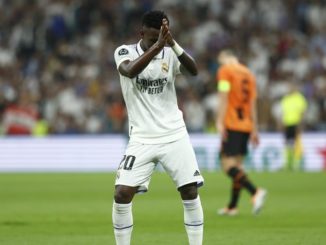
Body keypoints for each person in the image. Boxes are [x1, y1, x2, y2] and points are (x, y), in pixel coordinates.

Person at [112, 10, 204, 245]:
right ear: (141, 33)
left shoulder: (170, 51)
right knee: (122, 193)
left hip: (174, 134)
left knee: (190, 191)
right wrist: (158, 46)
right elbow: (129, 71)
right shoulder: (124, 51)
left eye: (161, 37)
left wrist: (172, 44)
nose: (158, 43)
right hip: (142, 137)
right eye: (153, 39)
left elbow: (194, 71)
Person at [215, 50, 267, 216]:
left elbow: (223, 97)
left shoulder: (225, 71)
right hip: (246, 126)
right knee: (237, 166)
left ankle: (255, 191)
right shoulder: (249, 74)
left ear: (225, 58)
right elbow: (252, 104)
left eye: (220, 60)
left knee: (227, 166)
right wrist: (255, 129)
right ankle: (232, 206)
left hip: (232, 124)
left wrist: (219, 121)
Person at [280, 82, 307, 171]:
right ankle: (287, 163)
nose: (290, 89)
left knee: (296, 144)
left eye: (292, 87)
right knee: (286, 144)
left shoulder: (299, 98)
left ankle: (296, 164)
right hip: (287, 123)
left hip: (296, 123)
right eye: (289, 87)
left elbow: (302, 112)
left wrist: (301, 124)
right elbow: (283, 113)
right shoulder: (286, 98)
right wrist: (282, 123)